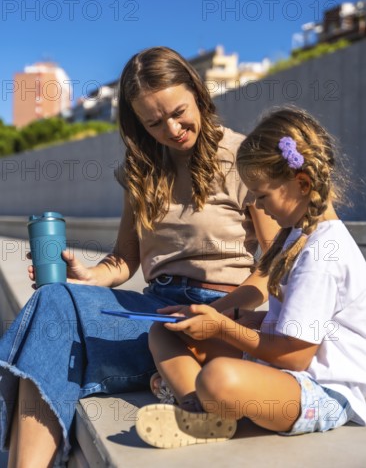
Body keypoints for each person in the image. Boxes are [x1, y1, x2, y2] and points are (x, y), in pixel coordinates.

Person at [0, 46, 279, 467]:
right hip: (156, 313)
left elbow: (272, 267)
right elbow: (123, 260)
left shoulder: (246, 159)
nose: (171, 128)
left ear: (198, 92)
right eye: (154, 122)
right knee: (53, 299)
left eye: (178, 111)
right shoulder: (141, 170)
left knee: (48, 335)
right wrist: (90, 277)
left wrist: (219, 313)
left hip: (223, 315)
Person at [135, 106, 366, 449]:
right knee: (163, 333)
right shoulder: (296, 236)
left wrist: (224, 328)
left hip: (323, 390)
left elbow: (295, 357)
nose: (258, 206)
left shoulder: (322, 253)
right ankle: (199, 410)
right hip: (286, 372)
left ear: (301, 184)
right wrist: (248, 319)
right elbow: (299, 325)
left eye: (262, 195)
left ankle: (205, 401)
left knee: (219, 377)